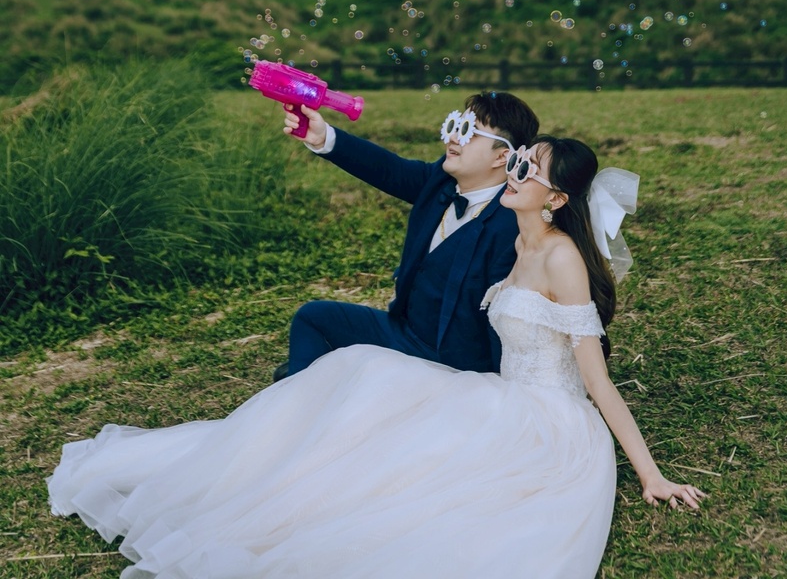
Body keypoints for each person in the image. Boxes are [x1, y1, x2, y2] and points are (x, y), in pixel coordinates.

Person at [47, 130, 706, 579]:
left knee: (416, 479)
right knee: (361, 375)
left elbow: (595, 379)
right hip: (500, 393)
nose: (514, 172)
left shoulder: (561, 258)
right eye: (516, 160)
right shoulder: (517, 240)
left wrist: (650, 474)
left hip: (548, 421)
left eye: (526, 169)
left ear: (557, 198)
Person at [279, 90, 540, 377]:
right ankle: (306, 387)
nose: (454, 138)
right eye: (455, 125)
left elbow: (511, 317)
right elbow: (389, 169)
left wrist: (496, 386)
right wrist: (323, 138)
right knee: (314, 317)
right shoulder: (441, 180)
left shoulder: (513, 222)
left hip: (453, 363)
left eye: (469, 131)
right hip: (405, 332)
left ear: (502, 156)